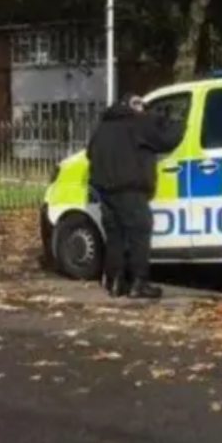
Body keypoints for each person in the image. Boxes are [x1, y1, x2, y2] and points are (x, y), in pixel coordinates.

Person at [86, 95, 180, 298]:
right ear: (131, 107)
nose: (143, 109)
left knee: (116, 237)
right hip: (129, 189)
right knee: (140, 232)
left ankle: (115, 283)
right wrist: (174, 121)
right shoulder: (137, 122)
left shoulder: (102, 126)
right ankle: (139, 283)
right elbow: (167, 141)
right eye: (140, 105)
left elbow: (90, 153)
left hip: (105, 191)